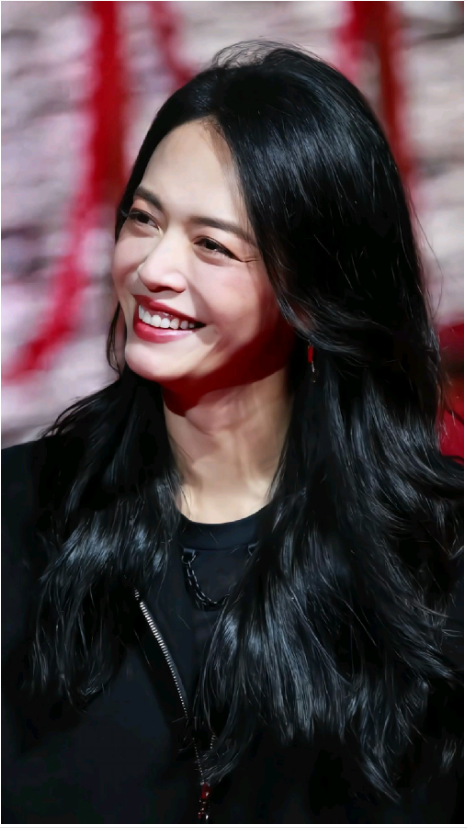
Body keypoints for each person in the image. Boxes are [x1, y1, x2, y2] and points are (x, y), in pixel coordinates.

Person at [2, 40, 463, 824]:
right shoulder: (19, 513)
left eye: (211, 245)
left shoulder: (435, 553)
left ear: (310, 290)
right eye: (143, 219)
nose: (153, 268)